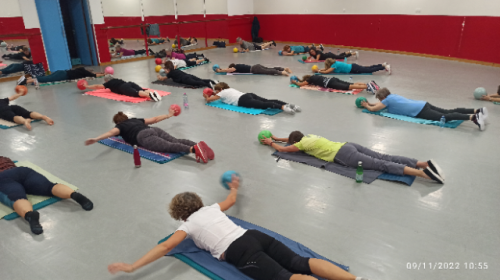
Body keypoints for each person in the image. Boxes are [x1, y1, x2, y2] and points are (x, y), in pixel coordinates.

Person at [107, 178, 371, 280]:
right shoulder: (211, 208)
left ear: (178, 214)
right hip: (254, 236)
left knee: (287, 278)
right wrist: (233, 185)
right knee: (301, 262)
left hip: (241, 252)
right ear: (197, 203)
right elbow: (232, 200)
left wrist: (132, 266)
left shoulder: (187, 226)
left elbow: (166, 246)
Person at [261, 131, 446, 184]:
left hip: (343, 155)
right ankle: (423, 163)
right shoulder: (308, 136)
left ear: (295, 143)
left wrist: (271, 142)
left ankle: (424, 174)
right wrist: (278, 137)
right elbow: (289, 139)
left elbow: (283, 150)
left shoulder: (301, 145)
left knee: (381, 165)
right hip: (348, 144)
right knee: (384, 156)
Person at [0, 156, 93, 235]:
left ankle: (29, 215)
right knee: (50, 187)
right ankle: (74, 195)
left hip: (3, 178)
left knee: (16, 197)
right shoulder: (4, 158)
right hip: (22, 171)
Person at [84, 111, 214, 163]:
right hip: (153, 130)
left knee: (168, 146)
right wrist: (169, 115)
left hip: (143, 137)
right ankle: (197, 144)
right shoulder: (136, 119)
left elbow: (110, 133)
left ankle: (194, 149)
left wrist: (96, 139)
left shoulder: (120, 127)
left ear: (117, 122)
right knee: (175, 140)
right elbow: (155, 119)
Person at [362, 88, 487, 131]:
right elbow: (378, 105)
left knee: (443, 117)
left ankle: (473, 118)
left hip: (420, 111)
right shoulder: (392, 96)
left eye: (380, 99)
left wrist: (366, 106)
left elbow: (375, 109)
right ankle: (477, 110)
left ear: (383, 97)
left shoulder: (386, 101)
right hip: (423, 104)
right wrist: (370, 103)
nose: (380, 101)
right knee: (448, 111)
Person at [205, 82, 300, 114]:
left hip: (243, 100)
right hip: (248, 94)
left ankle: (283, 107)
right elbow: (217, 95)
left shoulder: (222, 93)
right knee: (267, 100)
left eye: (217, 91)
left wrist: (205, 95)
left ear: (220, 89)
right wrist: (214, 92)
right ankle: (288, 104)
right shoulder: (229, 89)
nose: (216, 93)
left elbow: (209, 100)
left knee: (263, 105)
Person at [82, 74, 162, 101]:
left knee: (136, 93)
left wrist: (87, 86)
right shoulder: (117, 79)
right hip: (129, 83)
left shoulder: (109, 83)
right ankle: (152, 93)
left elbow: (97, 86)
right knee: (142, 90)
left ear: (106, 80)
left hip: (123, 87)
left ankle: (150, 96)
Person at [24, 67, 105, 87]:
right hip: (64, 75)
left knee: (47, 76)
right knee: (48, 79)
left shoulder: (82, 69)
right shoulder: (86, 73)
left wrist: (101, 72)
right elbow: (95, 75)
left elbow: (93, 73)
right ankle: (27, 81)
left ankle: (29, 79)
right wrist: (103, 74)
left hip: (62, 71)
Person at [292, 75, 379, 93]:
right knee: (351, 83)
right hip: (333, 79)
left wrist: (295, 82)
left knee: (349, 87)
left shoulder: (310, 79)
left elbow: (301, 85)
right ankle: (368, 84)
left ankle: (368, 86)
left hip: (331, 83)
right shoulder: (314, 76)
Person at [316, 58, 390, 75]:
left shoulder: (334, 65)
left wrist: (318, 71)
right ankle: (382, 64)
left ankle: (383, 67)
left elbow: (326, 72)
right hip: (353, 66)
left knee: (368, 70)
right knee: (368, 67)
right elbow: (326, 69)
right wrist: (319, 69)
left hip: (353, 68)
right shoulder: (334, 63)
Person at [215, 63, 292, 76]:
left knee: (268, 71)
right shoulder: (237, 65)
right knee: (269, 69)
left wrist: (220, 71)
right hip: (256, 66)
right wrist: (223, 68)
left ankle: (282, 72)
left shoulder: (235, 67)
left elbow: (229, 70)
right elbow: (228, 69)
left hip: (254, 69)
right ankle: (284, 68)